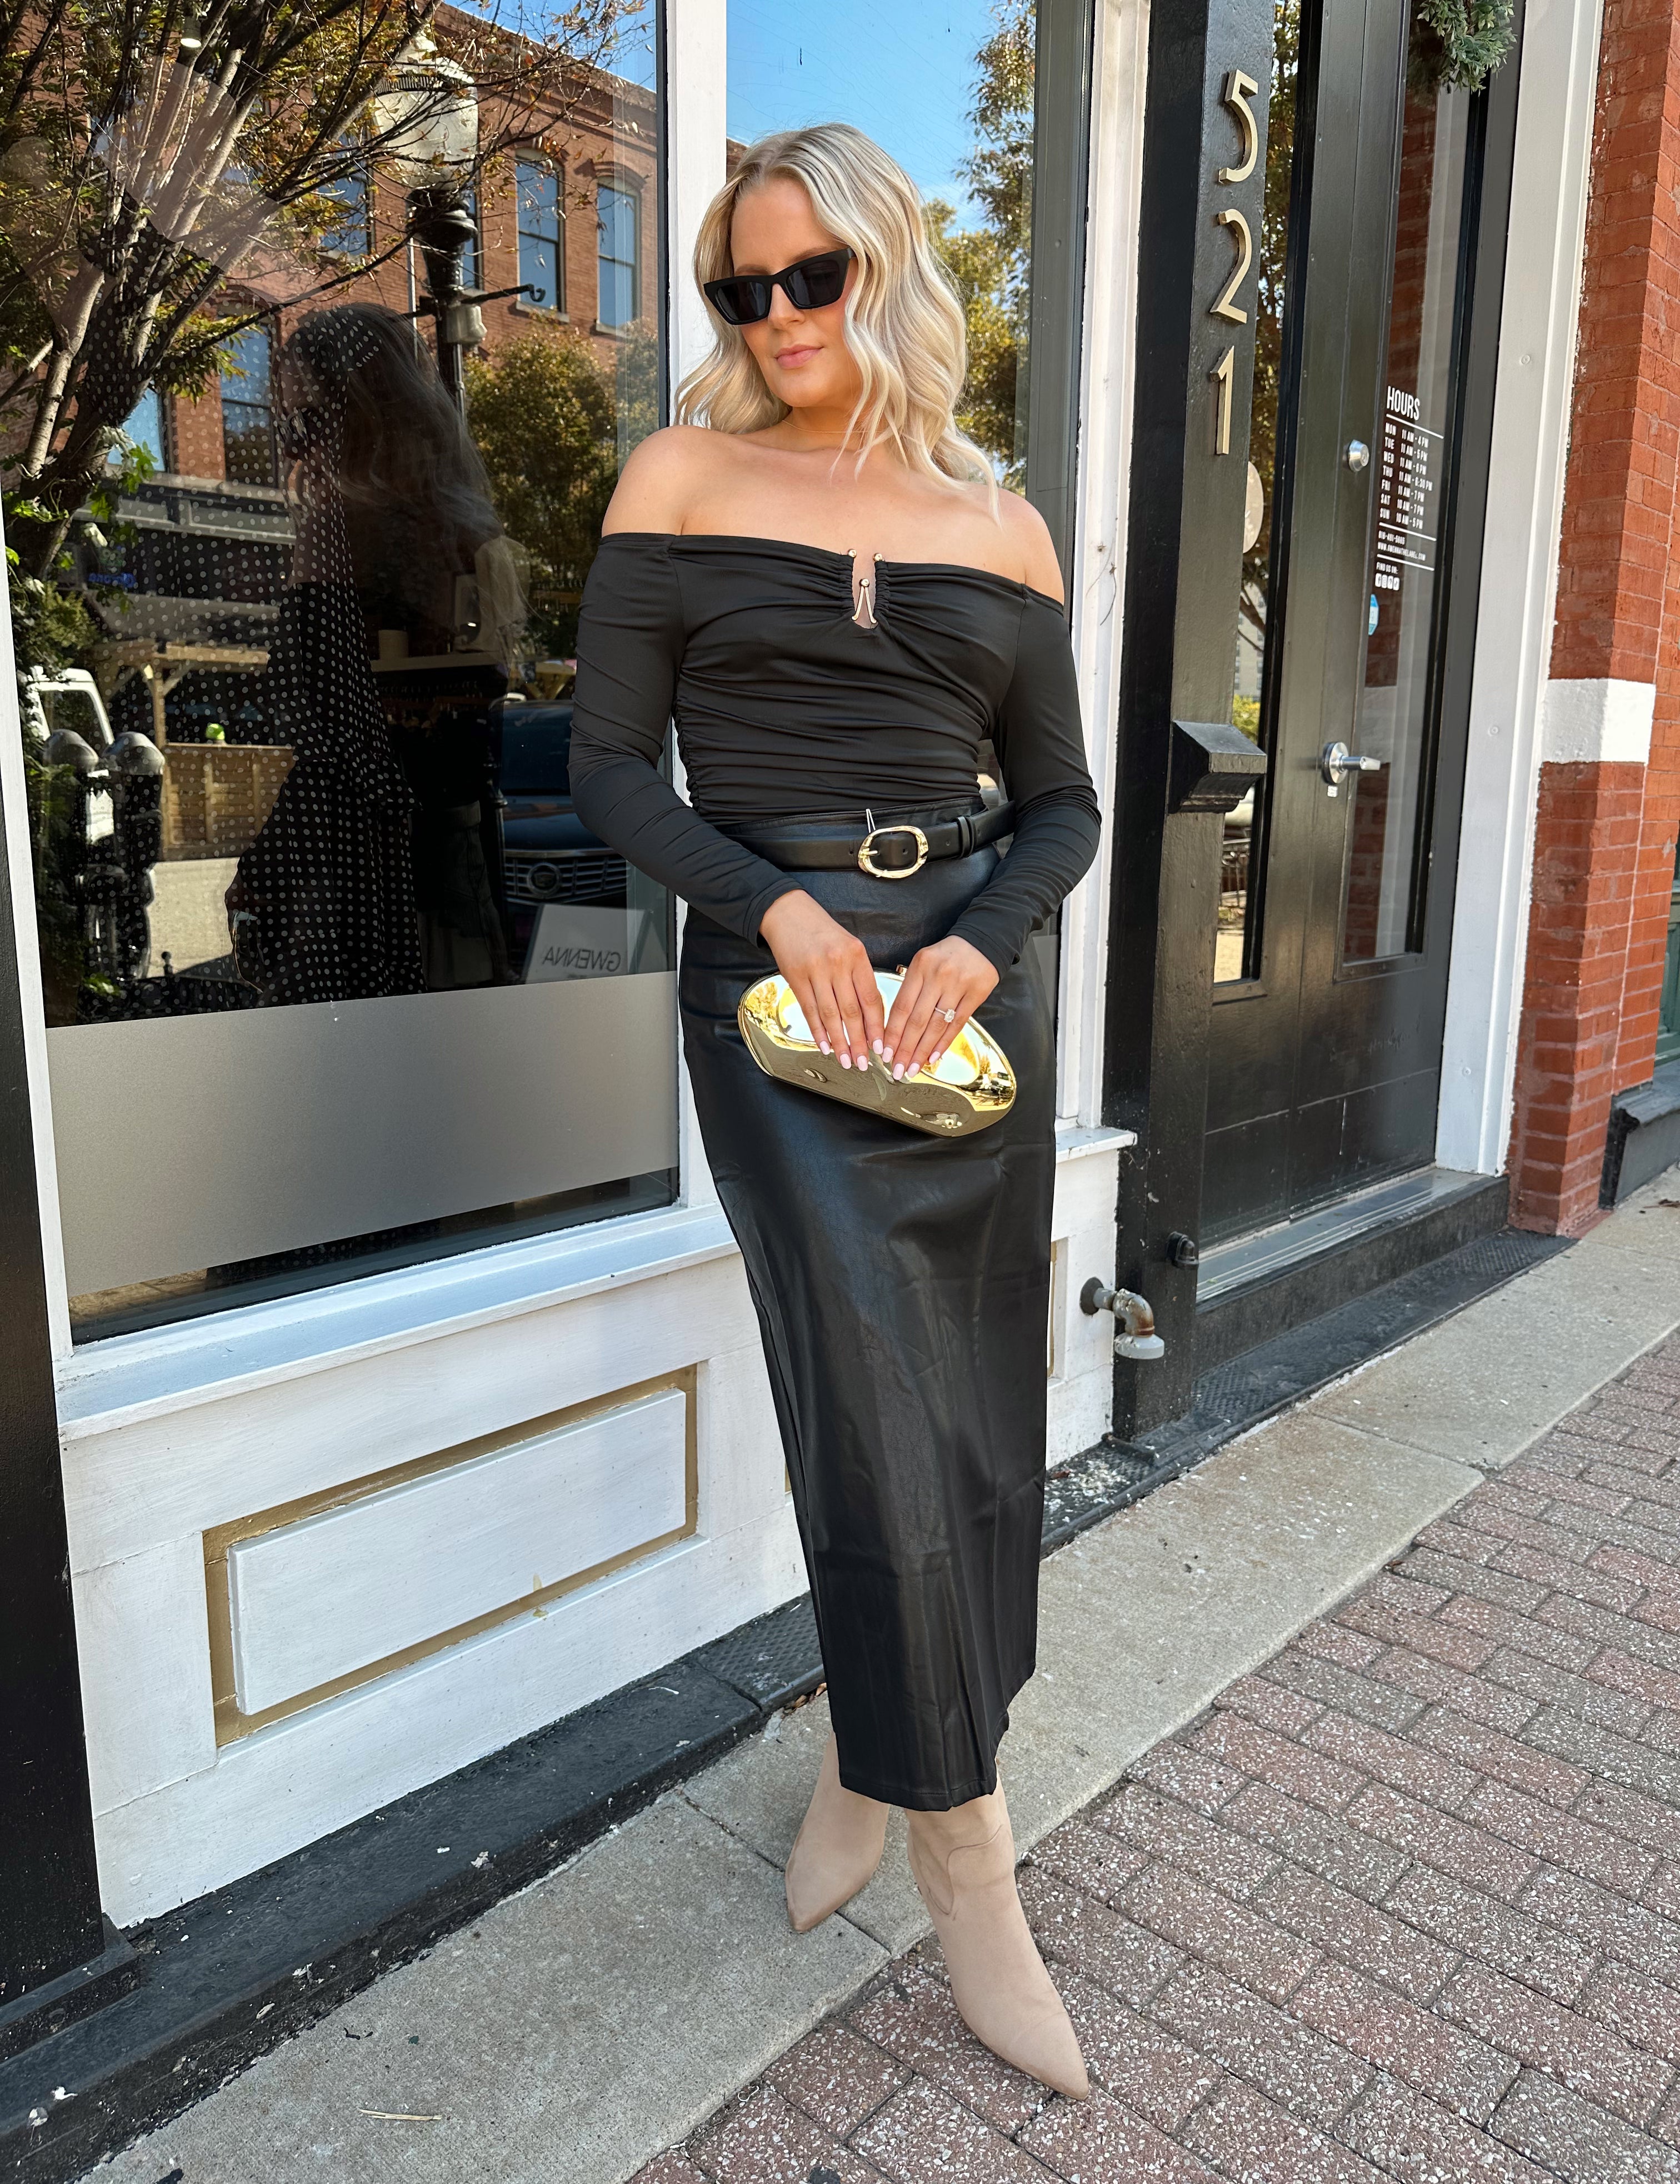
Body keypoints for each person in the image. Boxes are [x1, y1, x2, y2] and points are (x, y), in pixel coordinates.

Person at [568, 123, 1101, 2100]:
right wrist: (778, 904)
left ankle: (872, 1757)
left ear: (886, 267)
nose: (777, 318)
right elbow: (614, 771)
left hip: (961, 1008)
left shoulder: (1006, 523)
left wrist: (988, 938)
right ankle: (969, 1857)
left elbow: (1062, 802)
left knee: (964, 1424)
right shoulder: (679, 477)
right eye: (740, 288)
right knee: (869, 1402)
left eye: (814, 277)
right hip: (783, 1008)